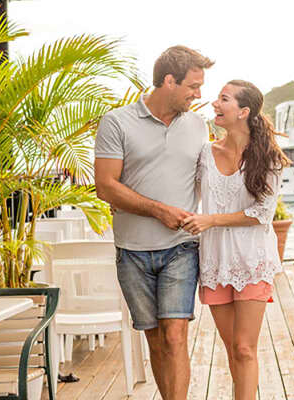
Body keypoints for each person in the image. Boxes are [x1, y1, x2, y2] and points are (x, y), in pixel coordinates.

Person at [94, 45, 213, 400]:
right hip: (132, 251)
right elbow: (105, 186)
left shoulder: (198, 126)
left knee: (175, 336)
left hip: (180, 247)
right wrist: (159, 210)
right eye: (193, 86)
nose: (198, 94)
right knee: (157, 340)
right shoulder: (117, 122)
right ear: (169, 81)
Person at [181, 80, 289, 400]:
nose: (214, 103)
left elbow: (261, 214)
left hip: (253, 261)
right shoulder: (205, 152)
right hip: (215, 262)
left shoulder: (268, 157)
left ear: (243, 112)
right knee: (232, 350)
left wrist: (210, 220)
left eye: (223, 99)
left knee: (244, 349)